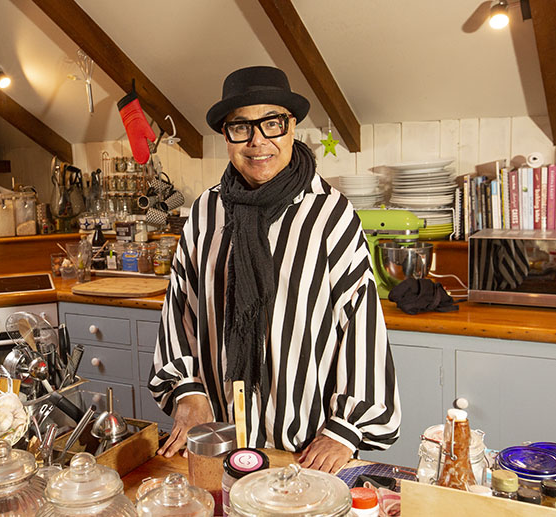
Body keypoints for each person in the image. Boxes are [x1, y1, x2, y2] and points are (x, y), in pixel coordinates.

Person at [148, 65, 400, 473]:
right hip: (220, 433)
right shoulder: (206, 212)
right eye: (241, 127)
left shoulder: (329, 213)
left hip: (304, 447)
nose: (257, 141)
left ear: (292, 127)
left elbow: (361, 321)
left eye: (272, 123)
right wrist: (187, 391)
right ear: (226, 136)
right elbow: (182, 306)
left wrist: (343, 431)